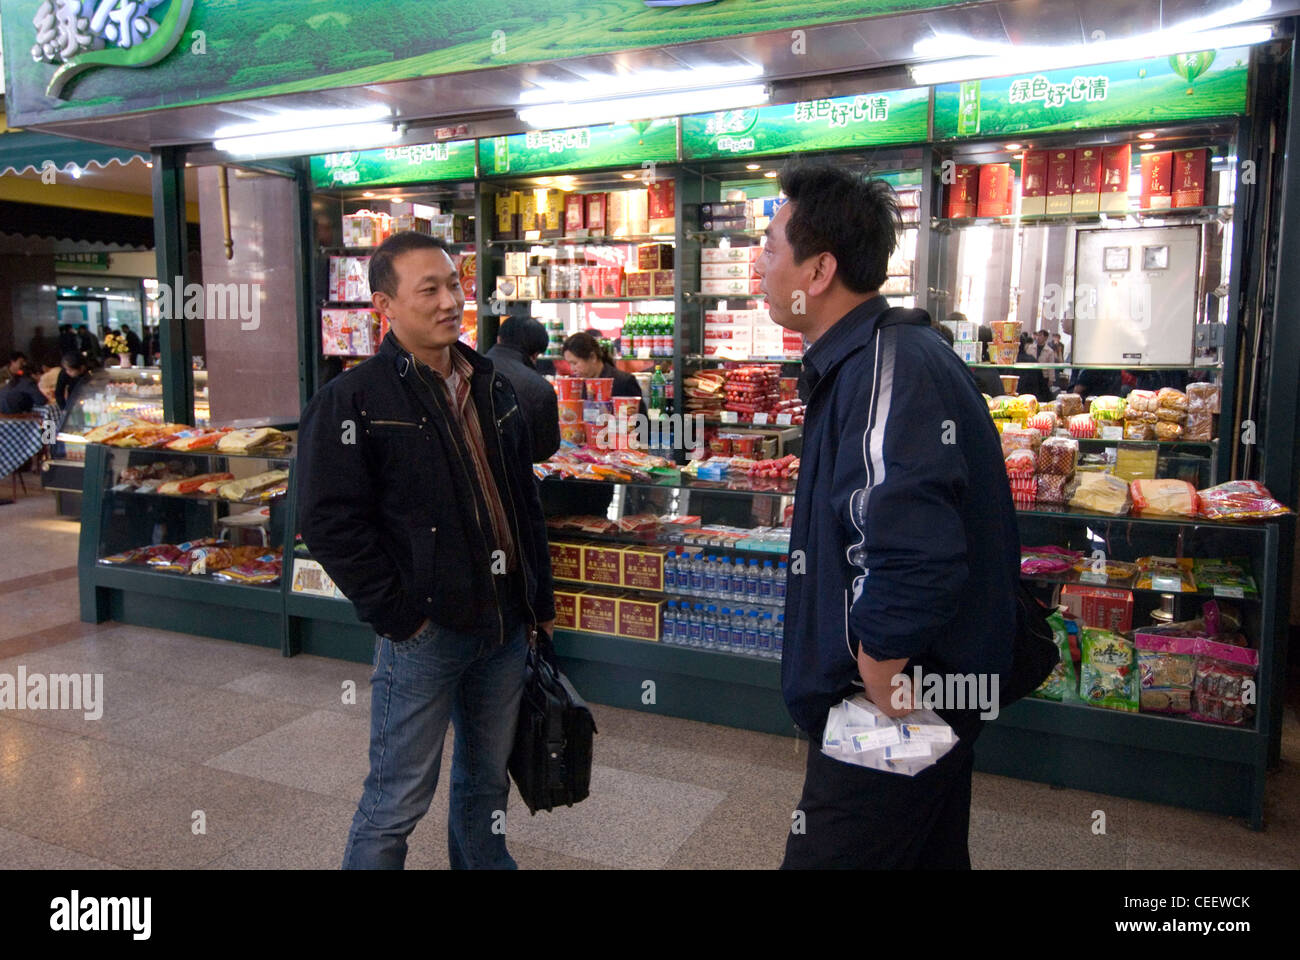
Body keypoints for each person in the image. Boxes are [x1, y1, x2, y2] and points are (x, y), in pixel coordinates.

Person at [754, 163, 1018, 869]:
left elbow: (909, 545)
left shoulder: (886, 365)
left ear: (819, 270)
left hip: (887, 702)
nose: (761, 262)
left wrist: (879, 670)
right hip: (919, 691)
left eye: (772, 246)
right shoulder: (876, 358)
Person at [296, 231, 555, 871]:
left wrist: (537, 601)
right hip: (425, 631)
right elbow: (328, 521)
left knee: (485, 783)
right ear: (385, 304)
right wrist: (399, 615)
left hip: (504, 622)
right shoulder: (352, 399)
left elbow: (521, 501)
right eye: (429, 290)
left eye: (454, 285)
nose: (449, 301)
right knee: (396, 801)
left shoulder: (491, 384)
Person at [486, 317, 561, 462]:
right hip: (515, 477)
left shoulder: (467, 370)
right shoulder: (541, 388)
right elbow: (545, 449)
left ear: (499, 338)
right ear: (535, 354)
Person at [562, 330, 647, 416]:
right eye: (569, 364)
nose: (572, 369)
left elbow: (642, 423)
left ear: (593, 357)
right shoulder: (578, 385)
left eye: (575, 363)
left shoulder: (623, 382)